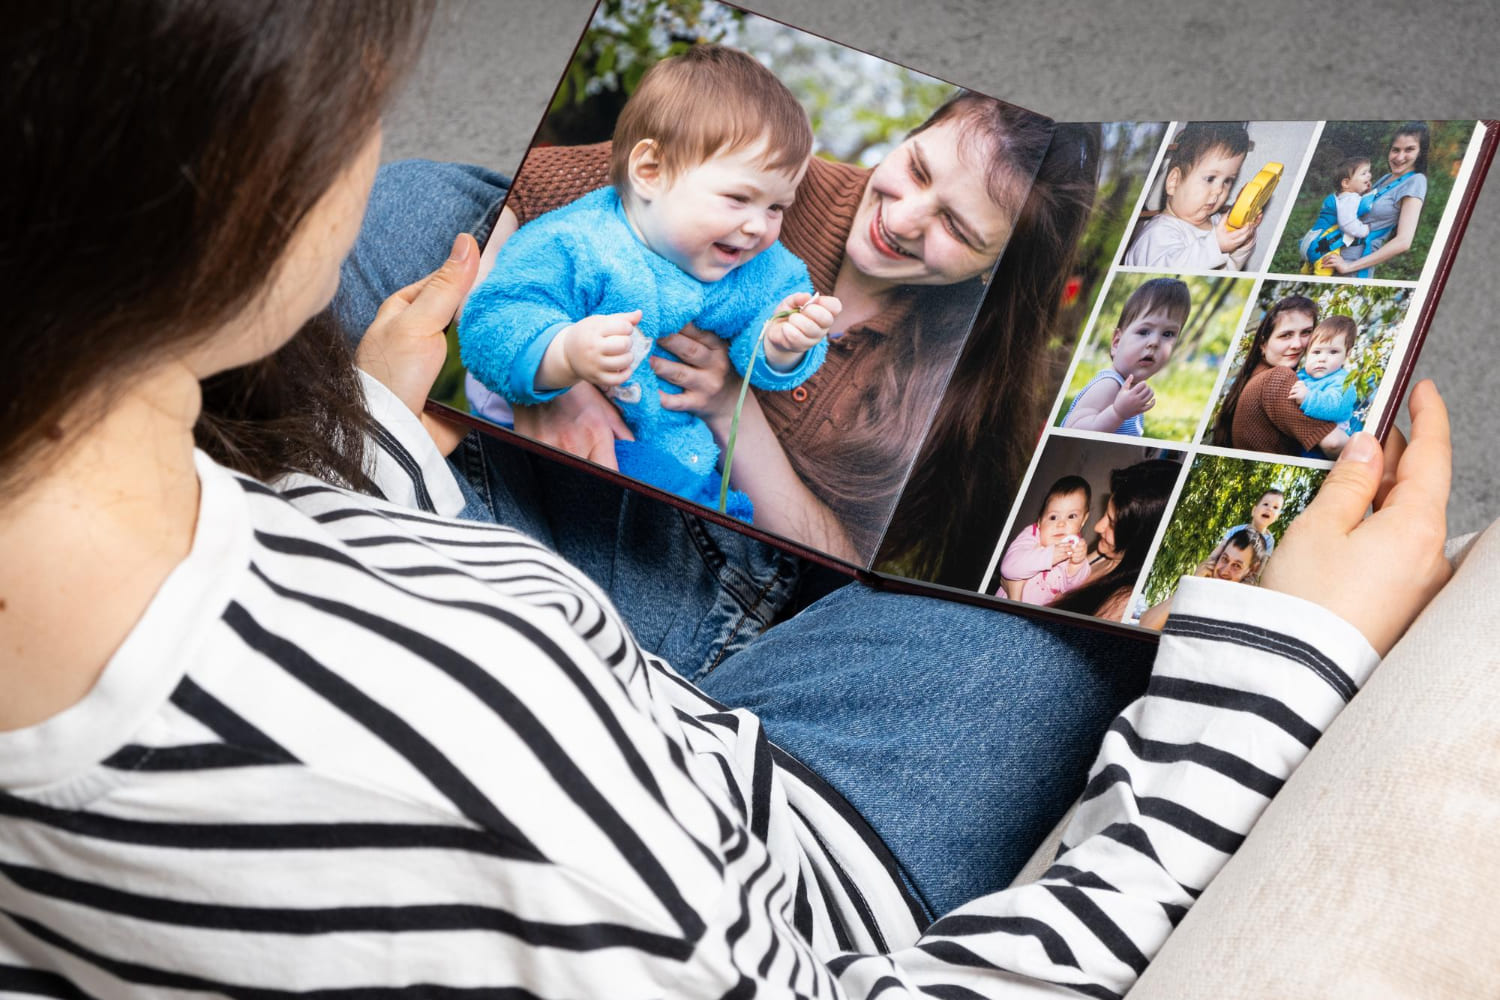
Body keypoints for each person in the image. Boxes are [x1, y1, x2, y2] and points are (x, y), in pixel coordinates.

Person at [0, 3, 1460, 997]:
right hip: (725, 837)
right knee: (1063, 620)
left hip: (498, 595)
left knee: (426, 223)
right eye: (349, 107)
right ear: (226, 189)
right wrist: (1283, 673)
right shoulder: (465, 790)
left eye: (957, 223)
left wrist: (381, 430)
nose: (899, 217)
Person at [363, 98, 1096, 590]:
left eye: (957, 230)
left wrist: (726, 405)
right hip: (549, 430)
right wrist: (557, 372)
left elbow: (839, 570)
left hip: (693, 558)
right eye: (915, 168)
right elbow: (540, 191)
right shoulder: (781, 182)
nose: (903, 218)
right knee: (426, 196)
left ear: (997, 269)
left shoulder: (958, 373)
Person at [458, 45, 838, 521]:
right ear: (650, 172)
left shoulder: (754, 266)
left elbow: (770, 318)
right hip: (537, 452)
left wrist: (783, 343)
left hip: (675, 460)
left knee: (715, 514)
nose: (759, 226)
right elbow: (493, 318)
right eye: (739, 198)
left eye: (777, 207)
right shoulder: (576, 242)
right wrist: (566, 352)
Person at [1211, 294, 1347, 457]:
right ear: (1263, 344)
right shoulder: (1277, 378)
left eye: (1306, 332)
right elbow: (1334, 443)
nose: (1297, 345)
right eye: (1286, 335)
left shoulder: (1256, 378)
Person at [1050, 459, 1181, 621]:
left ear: (1141, 540)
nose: (1097, 527)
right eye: (1106, 513)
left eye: (1112, 524)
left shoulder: (1123, 604)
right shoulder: (1103, 554)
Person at [1122, 122, 1261, 271]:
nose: (1219, 190)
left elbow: (1228, 272)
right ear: (1174, 182)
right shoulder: (1157, 233)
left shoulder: (1218, 223)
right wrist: (1216, 245)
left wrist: (1241, 245)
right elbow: (1166, 273)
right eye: (1210, 179)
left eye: (1228, 180)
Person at [1060, 277, 1190, 437]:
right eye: (1144, 332)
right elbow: (1071, 431)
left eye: (1168, 334)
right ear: (1116, 342)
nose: (1155, 342)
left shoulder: (1128, 391)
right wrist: (1117, 413)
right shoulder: (1109, 385)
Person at [1322, 122, 1430, 279]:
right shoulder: (1387, 178)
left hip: (1353, 267)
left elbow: (1403, 242)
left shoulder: (1416, 181)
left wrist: (1348, 266)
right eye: (1395, 150)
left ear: (1421, 152)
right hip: (1332, 253)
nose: (1399, 157)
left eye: (1409, 149)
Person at [1138, 528, 1267, 629]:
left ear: (1250, 571)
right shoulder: (1195, 591)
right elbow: (1145, 627)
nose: (1224, 571)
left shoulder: (1243, 612)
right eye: (1224, 559)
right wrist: (1190, 585)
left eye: (1236, 566)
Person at [996, 475, 1092, 605]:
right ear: (1040, 521)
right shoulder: (1033, 534)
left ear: (1083, 520)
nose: (1061, 524)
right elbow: (1008, 568)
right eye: (1053, 517)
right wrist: (1050, 556)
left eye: (1071, 516)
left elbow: (1072, 591)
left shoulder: (1075, 551)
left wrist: (1076, 565)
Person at [1298, 156, 1373, 272]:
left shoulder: (1338, 197)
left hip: (1311, 242)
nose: (1369, 175)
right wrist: (1364, 230)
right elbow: (1347, 223)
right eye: (1363, 173)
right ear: (1346, 183)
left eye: (1368, 172)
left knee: (1307, 271)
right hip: (1325, 248)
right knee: (1323, 273)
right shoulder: (1351, 199)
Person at [1290, 315, 1359, 438]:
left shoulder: (1344, 382)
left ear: (1347, 355)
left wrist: (1308, 398)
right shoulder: (1300, 375)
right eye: (1316, 352)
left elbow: (1336, 406)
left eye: (1333, 352)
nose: (1322, 359)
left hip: (1327, 447)